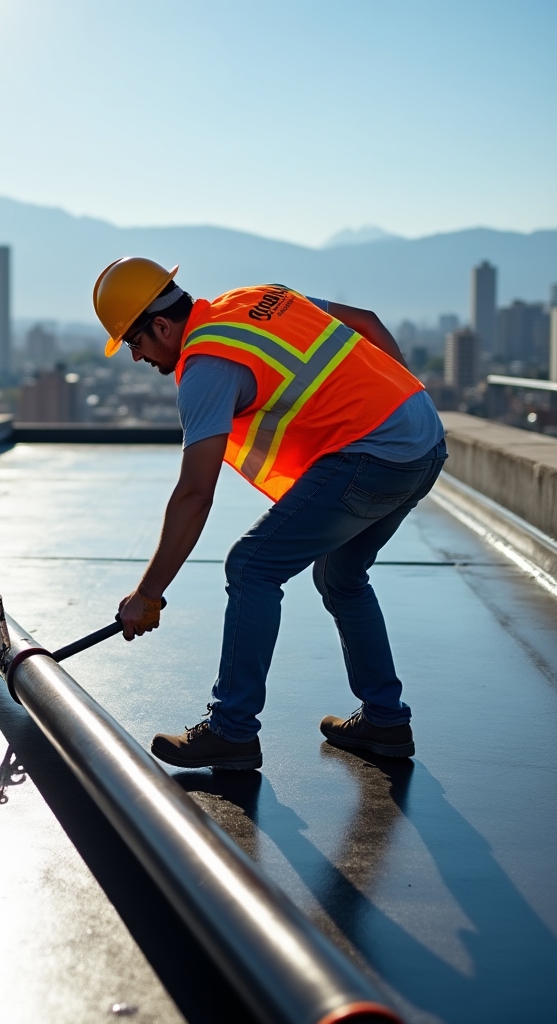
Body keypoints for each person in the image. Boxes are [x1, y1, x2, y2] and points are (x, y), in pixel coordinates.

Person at [93, 258, 446, 770]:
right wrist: (400, 404)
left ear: (163, 326)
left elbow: (194, 495)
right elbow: (366, 321)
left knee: (251, 566)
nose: (135, 357)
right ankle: (385, 721)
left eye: (135, 343)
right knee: (342, 577)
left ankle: (232, 730)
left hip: (374, 457)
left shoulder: (208, 367)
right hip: (424, 441)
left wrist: (147, 594)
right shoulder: (256, 299)